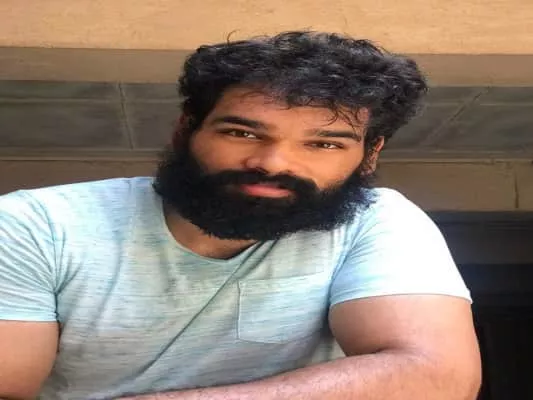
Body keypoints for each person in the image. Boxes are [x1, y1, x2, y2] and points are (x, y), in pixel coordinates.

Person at [0, 31, 481, 400]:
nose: (274, 163)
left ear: (369, 155)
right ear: (185, 130)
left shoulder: (376, 221)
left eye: (323, 144)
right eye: (243, 133)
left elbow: (434, 378)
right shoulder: (38, 224)